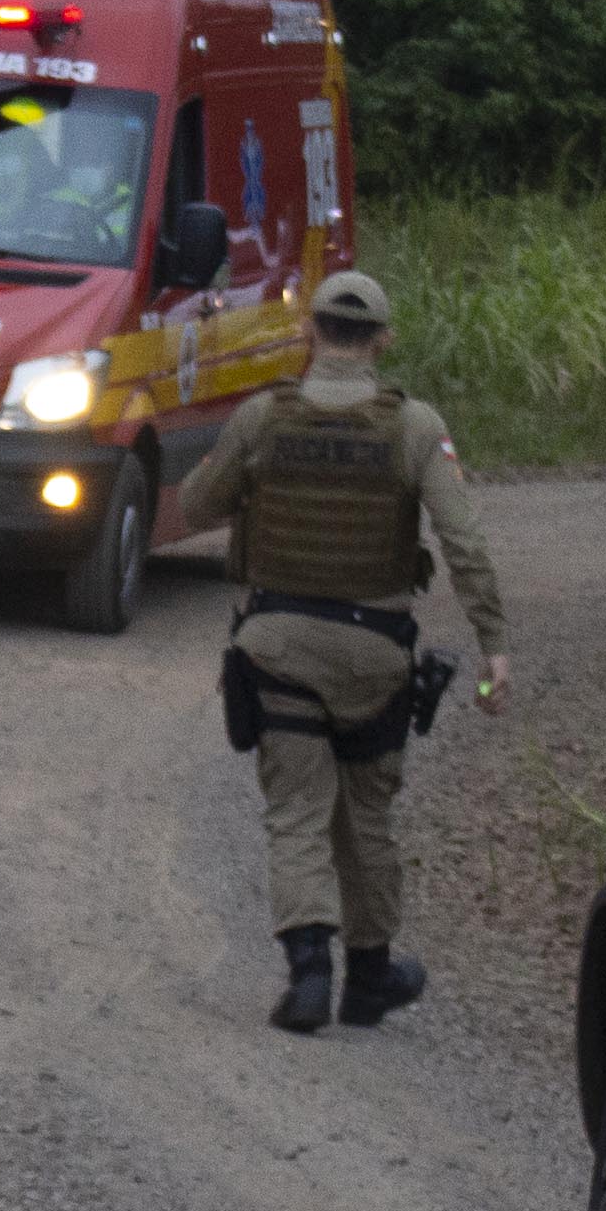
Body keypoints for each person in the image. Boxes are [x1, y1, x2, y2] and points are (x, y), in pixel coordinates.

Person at [172, 269, 507, 1034]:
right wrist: (495, 644)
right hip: (374, 655)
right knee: (367, 816)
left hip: (278, 645)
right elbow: (464, 540)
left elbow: (196, 505)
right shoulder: (416, 428)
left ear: (309, 332)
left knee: (296, 811)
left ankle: (310, 973)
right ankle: (372, 973)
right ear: (383, 341)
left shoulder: (263, 418)